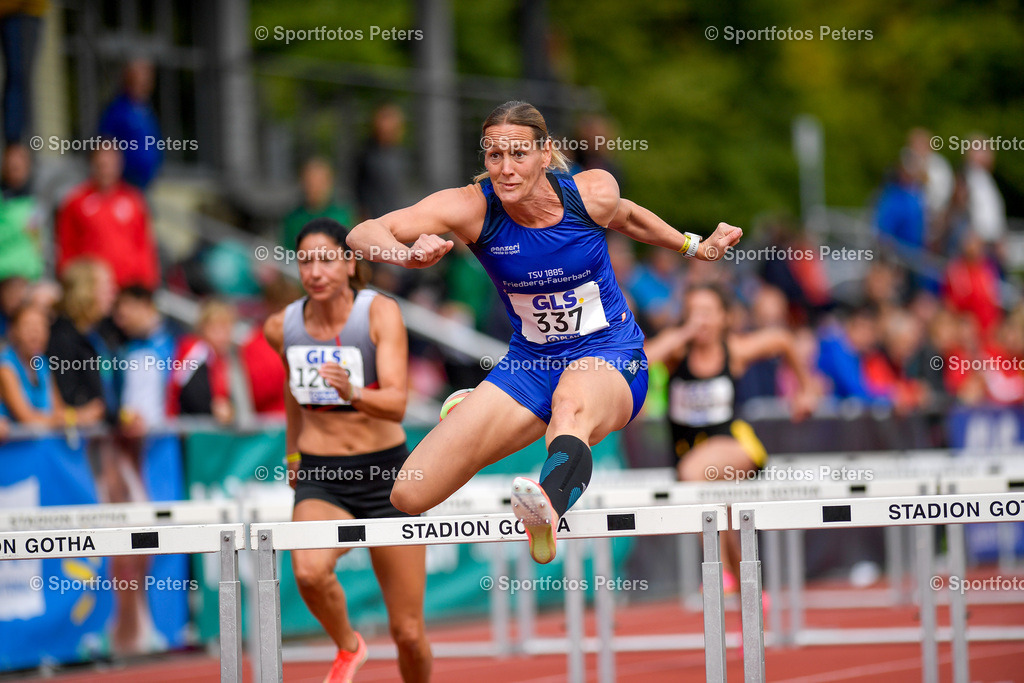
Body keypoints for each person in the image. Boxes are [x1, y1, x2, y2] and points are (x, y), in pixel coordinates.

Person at [346, 100, 742, 563]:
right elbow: (362, 232)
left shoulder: (589, 192)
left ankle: (546, 508)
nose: (506, 170)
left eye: (518, 155)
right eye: (495, 156)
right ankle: (483, 408)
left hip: (611, 354)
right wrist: (405, 256)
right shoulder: (471, 208)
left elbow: (628, 216)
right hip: (531, 365)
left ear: (544, 153)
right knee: (410, 494)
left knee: (570, 405)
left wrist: (696, 246)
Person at [264, 218, 432, 683]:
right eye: (304, 262)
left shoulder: (378, 313)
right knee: (309, 571)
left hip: (388, 479)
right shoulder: (282, 327)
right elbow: (290, 387)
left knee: (409, 632)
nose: (314, 272)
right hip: (323, 476)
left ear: (349, 261)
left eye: (325, 259)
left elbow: (397, 403)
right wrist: (293, 454)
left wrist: (353, 392)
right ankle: (348, 645)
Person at [645, 284, 817, 586]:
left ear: (725, 318)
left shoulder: (734, 350)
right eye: (694, 313)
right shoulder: (676, 352)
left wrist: (806, 389)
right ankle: (748, 594)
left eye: (708, 313)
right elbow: (642, 360)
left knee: (695, 474)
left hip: (735, 447)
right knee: (720, 517)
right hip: (689, 451)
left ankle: (717, 570)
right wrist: (682, 334)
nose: (702, 321)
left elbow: (782, 340)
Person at [56, 145, 159, 289]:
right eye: (101, 165)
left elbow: (144, 246)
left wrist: (148, 282)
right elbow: (67, 247)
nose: (106, 170)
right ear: (92, 165)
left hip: (127, 288)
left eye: (110, 164)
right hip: (91, 289)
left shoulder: (134, 200)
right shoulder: (76, 202)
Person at [166, 299, 235, 424]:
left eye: (227, 328)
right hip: (185, 429)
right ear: (203, 328)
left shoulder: (222, 358)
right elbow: (187, 392)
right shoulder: (196, 351)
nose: (223, 335)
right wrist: (213, 408)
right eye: (216, 328)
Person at [97, 59, 163, 189]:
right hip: (125, 183)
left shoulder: (145, 108)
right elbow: (105, 143)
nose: (146, 82)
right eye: (140, 77)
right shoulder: (118, 110)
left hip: (146, 182)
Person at [0, 302, 67, 427]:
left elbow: (58, 410)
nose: (36, 334)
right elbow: (27, 418)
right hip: (13, 445)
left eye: (41, 327)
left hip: (43, 444)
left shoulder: (43, 364)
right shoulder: (5, 367)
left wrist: (70, 417)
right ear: (13, 331)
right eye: (28, 327)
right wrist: (73, 419)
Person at [281, 157, 354, 253]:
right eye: (310, 182)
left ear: (329, 183)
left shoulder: (342, 216)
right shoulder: (293, 219)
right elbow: (286, 253)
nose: (315, 188)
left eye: (320, 182)